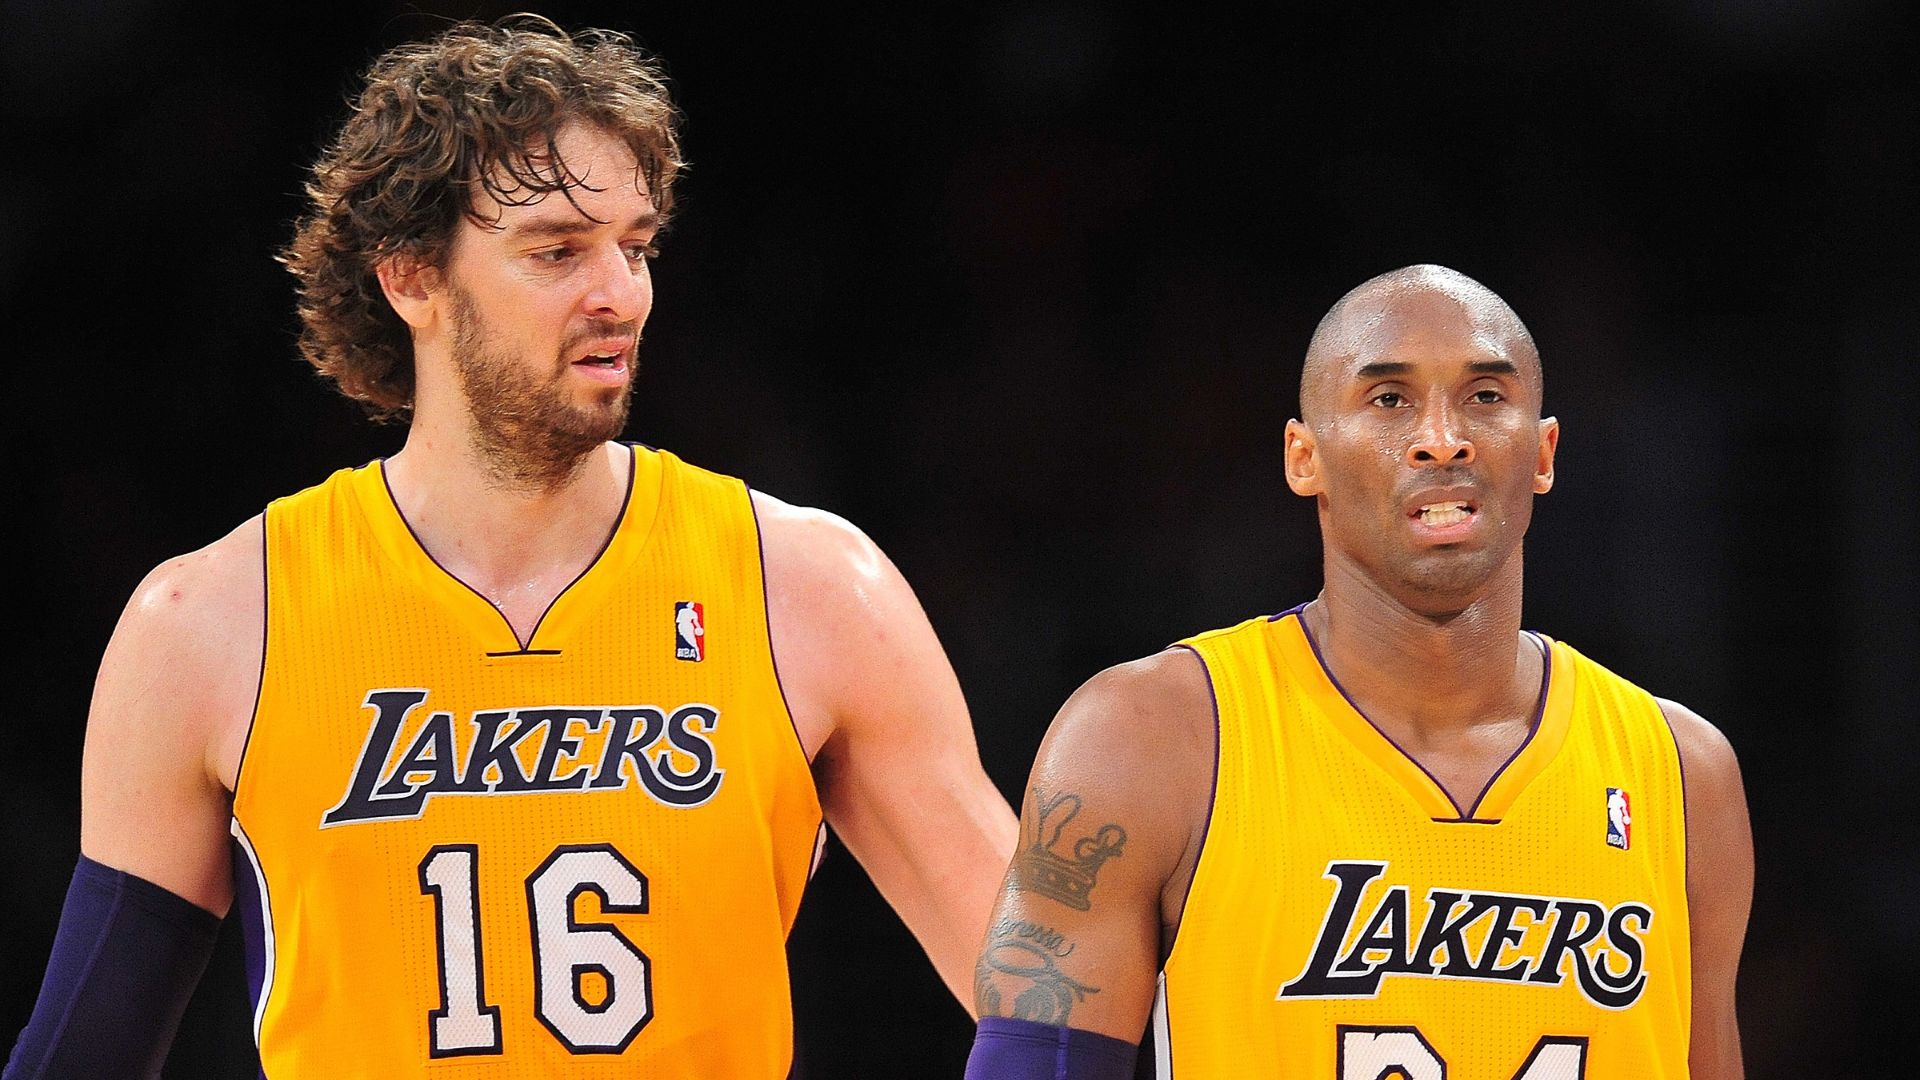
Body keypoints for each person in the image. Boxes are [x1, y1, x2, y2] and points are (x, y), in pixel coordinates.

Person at [6, 17, 1016, 1079]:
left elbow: (1058, 1011)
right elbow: (83, 1054)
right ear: (411, 280)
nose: (619, 294)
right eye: (556, 252)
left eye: (635, 247)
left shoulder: (811, 590)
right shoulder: (212, 627)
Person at [967, 265, 1753, 1079]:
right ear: (1303, 457)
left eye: (1485, 396)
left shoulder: (1682, 774)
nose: (1442, 437)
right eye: (1389, 400)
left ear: (1544, 452)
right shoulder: (1150, 738)